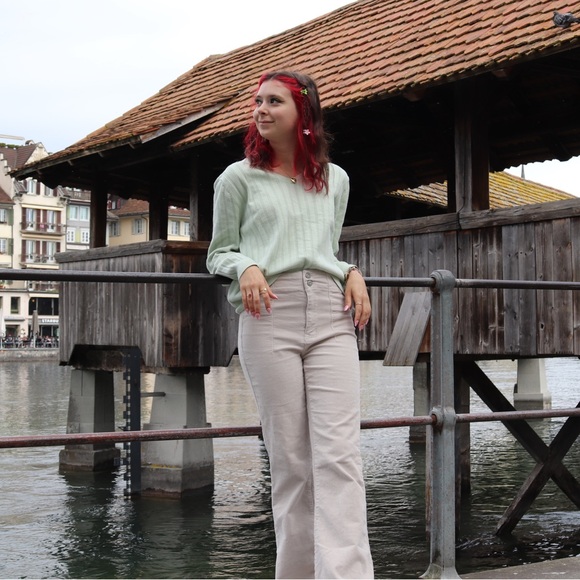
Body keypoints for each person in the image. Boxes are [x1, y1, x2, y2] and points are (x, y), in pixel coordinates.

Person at [206, 70, 374, 579]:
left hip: (330, 314)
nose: (260, 109)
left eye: (273, 101)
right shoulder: (237, 178)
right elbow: (219, 252)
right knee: (292, 463)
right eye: (257, 101)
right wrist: (245, 265)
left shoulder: (336, 179)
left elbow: (325, 250)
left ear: (304, 112)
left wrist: (350, 271)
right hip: (268, 316)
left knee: (340, 456)